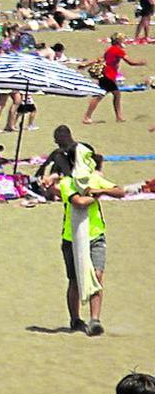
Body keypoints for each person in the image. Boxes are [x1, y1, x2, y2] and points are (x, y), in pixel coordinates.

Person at [47, 138, 124, 335]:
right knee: (74, 280)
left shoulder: (94, 179)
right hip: (72, 238)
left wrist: (101, 190)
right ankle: (75, 319)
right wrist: (96, 196)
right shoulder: (67, 183)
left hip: (96, 235)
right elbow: (79, 202)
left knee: (97, 276)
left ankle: (95, 319)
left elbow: (119, 191)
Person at [83, 33, 146, 124]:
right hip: (108, 76)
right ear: (119, 41)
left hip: (105, 75)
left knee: (114, 95)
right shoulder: (118, 50)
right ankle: (87, 117)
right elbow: (130, 62)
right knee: (100, 96)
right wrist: (141, 63)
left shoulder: (109, 49)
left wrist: (86, 65)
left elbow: (99, 59)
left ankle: (118, 117)